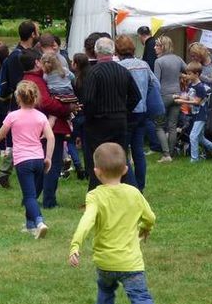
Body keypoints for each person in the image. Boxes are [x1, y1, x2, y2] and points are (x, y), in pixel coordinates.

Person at [68, 142, 166, 304]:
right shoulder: (134, 193)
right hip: (132, 264)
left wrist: (75, 245)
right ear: (126, 169)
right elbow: (150, 216)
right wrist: (145, 227)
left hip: (105, 263)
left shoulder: (95, 196)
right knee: (141, 299)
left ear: (97, 171)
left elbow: (87, 221)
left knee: (105, 292)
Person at [0, 80, 55, 238]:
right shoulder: (41, 116)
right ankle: (29, 225)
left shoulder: (12, 116)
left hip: (23, 160)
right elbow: (51, 137)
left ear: (18, 98)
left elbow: (0, 135)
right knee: (33, 195)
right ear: (35, 98)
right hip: (38, 159)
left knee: (29, 196)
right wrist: (48, 157)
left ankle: (39, 222)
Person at [79, 36, 140, 190]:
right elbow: (136, 96)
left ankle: (96, 192)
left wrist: (90, 117)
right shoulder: (123, 71)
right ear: (113, 51)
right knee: (120, 157)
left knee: (98, 158)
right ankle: (128, 190)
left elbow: (88, 100)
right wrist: (124, 111)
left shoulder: (93, 73)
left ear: (95, 52)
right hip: (119, 121)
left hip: (98, 122)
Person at [19, 50, 73, 207]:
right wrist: (67, 107)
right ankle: (49, 200)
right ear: (37, 63)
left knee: (43, 164)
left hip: (39, 126)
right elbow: (46, 103)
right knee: (52, 164)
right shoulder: (35, 80)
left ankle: (31, 197)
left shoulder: (31, 79)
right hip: (50, 128)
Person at [0, 20, 39, 188]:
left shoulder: (23, 54)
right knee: (23, 140)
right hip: (23, 103)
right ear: (32, 34)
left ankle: (4, 174)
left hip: (26, 102)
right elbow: (11, 85)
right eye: (37, 31)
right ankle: (4, 173)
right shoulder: (20, 57)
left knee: (25, 140)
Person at [116, 34, 160, 188]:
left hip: (127, 111)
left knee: (123, 150)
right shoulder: (144, 64)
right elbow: (155, 84)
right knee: (138, 151)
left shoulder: (120, 67)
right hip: (142, 111)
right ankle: (140, 186)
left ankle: (130, 183)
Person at [154, 36, 185, 161]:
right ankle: (171, 153)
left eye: (157, 45)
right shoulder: (177, 59)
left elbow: (156, 81)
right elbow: (189, 70)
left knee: (159, 126)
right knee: (172, 125)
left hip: (164, 95)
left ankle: (166, 154)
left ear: (163, 47)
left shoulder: (159, 62)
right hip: (177, 94)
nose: (154, 47)